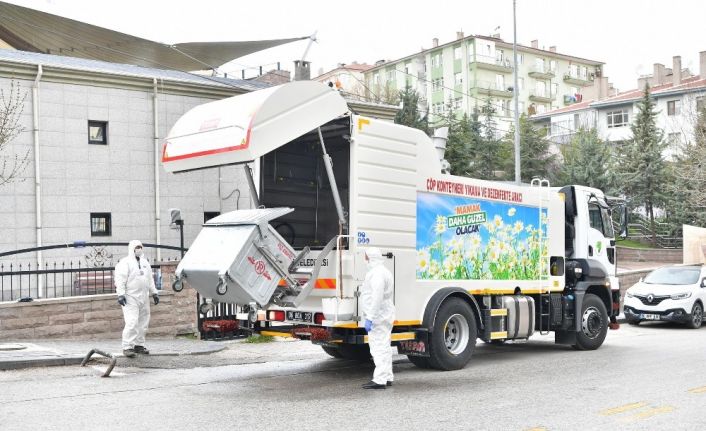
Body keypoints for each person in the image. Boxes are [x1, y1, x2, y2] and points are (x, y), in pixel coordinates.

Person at [115, 240, 159, 358]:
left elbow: (150, 279)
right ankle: (127, 346)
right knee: (132, 321)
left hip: (144, 297)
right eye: (137, 247)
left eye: (140, 247)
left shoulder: (145, 263)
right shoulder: (125, 263)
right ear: (132, 248)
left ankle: (139, 345)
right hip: (130, 297)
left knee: (143, 322)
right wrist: (120, 294)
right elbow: (120, 279)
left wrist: (154, 293)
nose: (139, 249)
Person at [360, 247, 395, 389]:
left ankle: (380, 380)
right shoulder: (383, 271)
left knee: (378, 348)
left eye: (366, 257)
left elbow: (377, 297)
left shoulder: (376, 274)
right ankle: (387, 376)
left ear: (370, 258)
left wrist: (370, 317)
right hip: (384, 314)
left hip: (378, 316)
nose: (365, 260)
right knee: (385, 346)